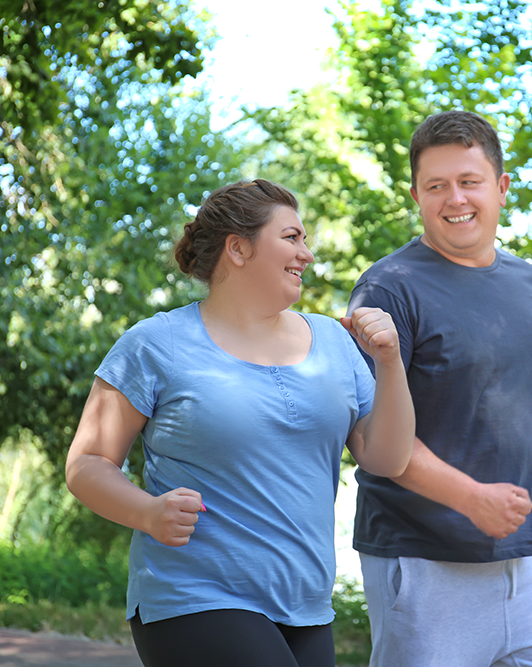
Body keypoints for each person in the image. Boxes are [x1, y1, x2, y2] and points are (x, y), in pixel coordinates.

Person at [64, 179, 414, 667]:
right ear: (238, 248)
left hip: (306, 605)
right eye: (291, 238)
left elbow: (389, 457)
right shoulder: (156, 343)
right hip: (193, 596)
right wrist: (146, 513)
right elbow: (87, 463)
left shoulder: (334, 341)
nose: (307, 254)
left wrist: (391, 361)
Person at [347, 110, 532, 667]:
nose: (454, 198)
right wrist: (470, 498)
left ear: (502, 188)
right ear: (416, 194)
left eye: (469, 182)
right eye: (436, 185)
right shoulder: (388, 288)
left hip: (528, 563)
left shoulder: (527, 281)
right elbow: (370, 435)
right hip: (423, 563)